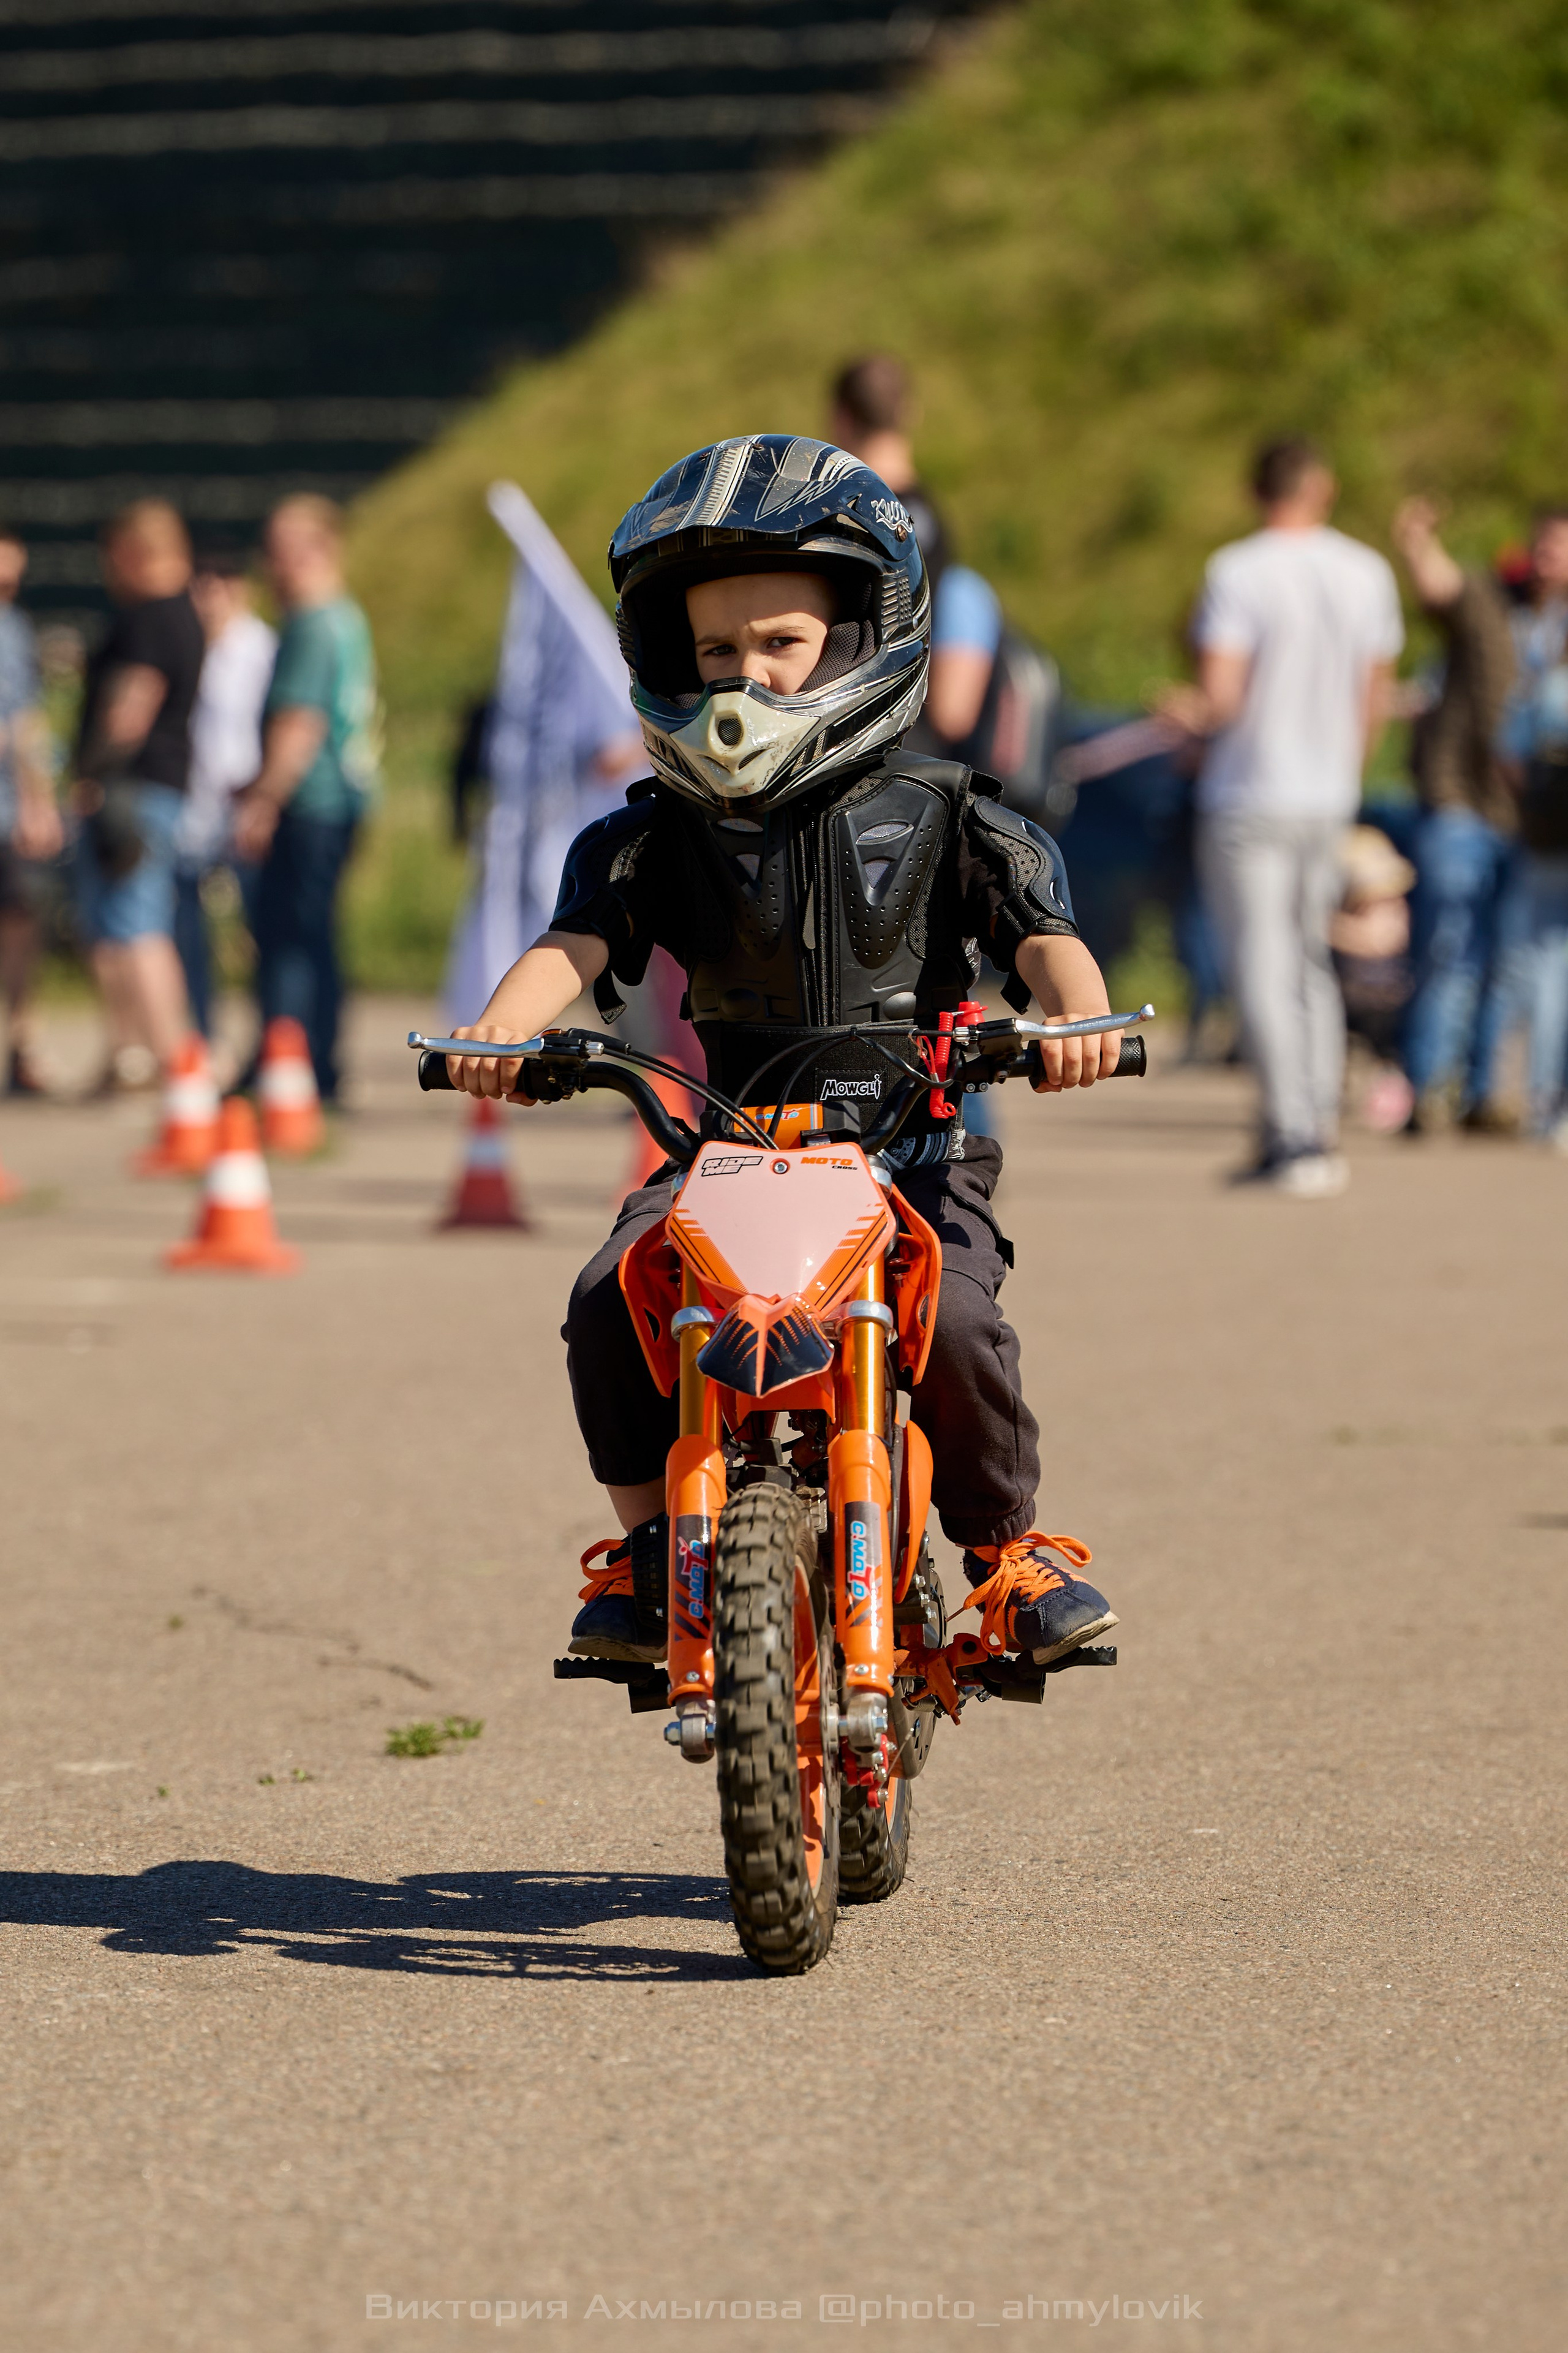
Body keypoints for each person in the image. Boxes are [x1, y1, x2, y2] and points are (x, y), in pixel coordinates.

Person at [445, 432, 1121, 1670]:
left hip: (913, 1148)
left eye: (778, 646)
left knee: (957, 1320)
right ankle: (648, 1554)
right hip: (729, 1152)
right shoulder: (648, 838)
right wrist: (502, 1029)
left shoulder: (953, 815)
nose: (740, 678)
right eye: (712, 651)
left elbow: (1046, 944)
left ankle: (1006, 1555)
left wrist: (1073, 1023)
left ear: (862, 639)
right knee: (607, 1300)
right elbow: (577, 947)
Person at [1164, 438, 1404, 1195]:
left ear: (1255, 489)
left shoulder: (1237, 570)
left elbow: (1222, 696)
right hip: (1326, 794)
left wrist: (1183, 715)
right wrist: (1347, 774)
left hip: (1250, 793)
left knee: (1262, 965)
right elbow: (1376, 694)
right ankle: (1316, 1126)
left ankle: (1290, 1134)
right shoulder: (1367, 570)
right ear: (1321, 487)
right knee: (1308, 960)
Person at [233, 496, 378, 1107]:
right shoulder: (342, 617)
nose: (276, 564)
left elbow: (299, 723)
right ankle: (309, 1059)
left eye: (288, 549)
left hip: (311, 803)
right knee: (315, 934)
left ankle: (292, 1060)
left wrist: (262, 800)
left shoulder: (314, 622)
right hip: (339, 801)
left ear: (324, 548)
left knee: (291, 936)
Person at [1389, 497, 1520, 1135]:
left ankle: (1483, 1093)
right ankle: (1424, 1089)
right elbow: (1443, 587)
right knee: (1446, 952)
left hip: (1538, 824)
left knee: (1506, 962)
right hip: (1461, 804)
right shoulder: (1489, 603)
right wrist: (1416, 543)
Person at [74, 499, 204, 1072]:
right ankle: (134, 1058)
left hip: (133, 791)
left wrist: (89, 774)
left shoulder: (150, 615)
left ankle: (177, 1069)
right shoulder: (185, 612)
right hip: (159, 788)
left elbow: (132, 706)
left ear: (130, 552)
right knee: (124, 925)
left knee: (138, 925)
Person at [176, 548, 277, 1037]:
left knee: (259, 929)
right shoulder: (191, 646)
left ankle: (269, 1039)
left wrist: (262, 797)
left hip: (244, 807)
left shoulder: (261, 649)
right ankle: (202, 1035)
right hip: (196, 811)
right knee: (188, 931)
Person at [1494, 506, 1568, 1141]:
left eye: (1555, 548)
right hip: (1547, 828)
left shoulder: (1539, 637)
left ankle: (1551, 1102)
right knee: (1544, 960)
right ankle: (1549, 1100)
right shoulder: (1529, 626)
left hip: (1548, 819)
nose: (1543, 560)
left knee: (1546, 959)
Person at [0, 525, 62, 1095]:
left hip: (8, 809)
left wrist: (38, 803)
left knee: (21, 927)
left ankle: (21, 1044)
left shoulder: (13, 630)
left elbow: (27, 724)